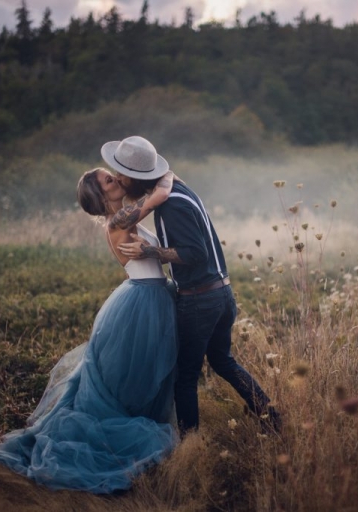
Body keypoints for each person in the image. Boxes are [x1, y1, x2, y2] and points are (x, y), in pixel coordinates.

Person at [0, 163, 179, 494]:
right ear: (101, 196)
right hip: (141, 305)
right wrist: (164, 169)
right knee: (131, 379)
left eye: (112, 176)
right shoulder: (118, 220)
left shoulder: (126, 217)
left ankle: (131, 438)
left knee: (145, 376)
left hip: (152, 298)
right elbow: (161, 192)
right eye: (108, 179)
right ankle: (116, 448)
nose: (116, 179)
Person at [101, 135, 281, 436]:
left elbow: (195, 253)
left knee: (185, 378)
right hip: (221, 293)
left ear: (135, 178)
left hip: (201, 300)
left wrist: (151, 252)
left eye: (121, 174)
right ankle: (273, 418)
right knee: (223, 362)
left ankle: (190, 446)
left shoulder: (171, 206)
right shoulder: (180, 191)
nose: (119, 178)